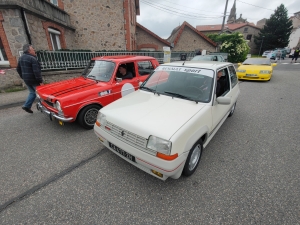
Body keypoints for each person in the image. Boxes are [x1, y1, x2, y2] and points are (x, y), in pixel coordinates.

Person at [17, 44, 43, 113]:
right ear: (29, 50)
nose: (34, 50)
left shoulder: (21, 58)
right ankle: (44, 107)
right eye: (33, 49)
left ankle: (27, 105)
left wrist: (23, 77)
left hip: (26, 79)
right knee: (41, 94)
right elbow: (36, 72)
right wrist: (40, 81)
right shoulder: (32, 59)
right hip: (34, 80)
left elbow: (18, 69)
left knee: (32, 92)